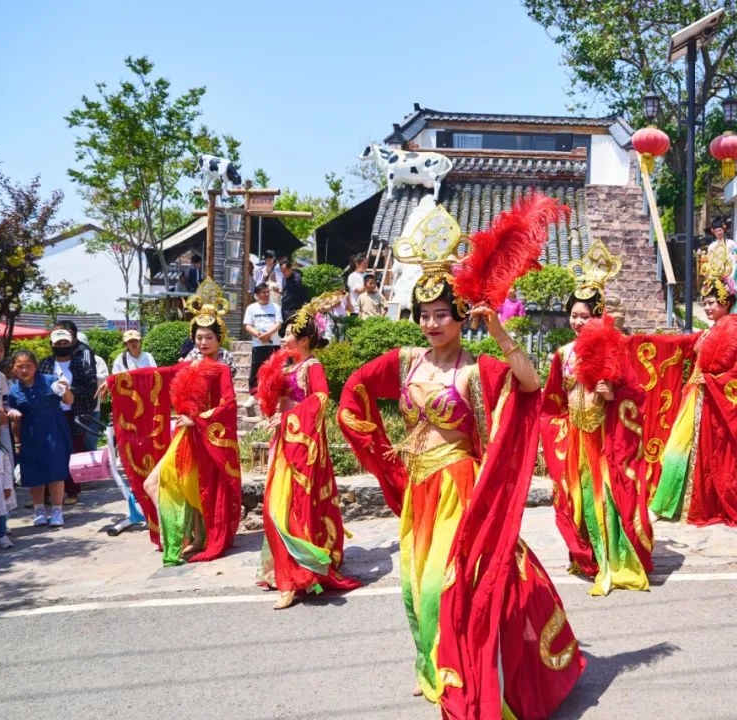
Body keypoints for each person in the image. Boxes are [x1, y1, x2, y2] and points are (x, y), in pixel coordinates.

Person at [337, 206, 584, 716]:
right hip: (419, 490)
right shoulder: (405, 363)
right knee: (416, 585)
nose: (431, 324)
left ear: (459, 317)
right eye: (424, 315)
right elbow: (353, 391)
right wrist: (385, 459)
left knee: (446, 586)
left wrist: (499, 331)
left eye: (441, 315)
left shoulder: (477, 370)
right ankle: (431, 666)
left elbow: (530, 384)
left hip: (459, 487)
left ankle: (463, 668)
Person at [540, 242, 650, 595]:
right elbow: (553, 401)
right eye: (573, 315)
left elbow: (638, 394)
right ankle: (588, 556)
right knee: (580, 497)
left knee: (608, 496)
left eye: (585, 316)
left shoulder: (616, 350)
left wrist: (613, 397)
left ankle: (612, 560)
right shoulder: (563, 354)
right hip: (575, 437)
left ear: (599, 317)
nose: (577, 322)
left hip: (605, 438)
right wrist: (555, 435)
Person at [255, 303, 360, 609]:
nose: (283, 337)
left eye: (288, 333)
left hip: (302, 447)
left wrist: (288, 417)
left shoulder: (312, 366)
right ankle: (283, 570)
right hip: (282, 443)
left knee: (291, 508)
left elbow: (321, 399)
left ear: (302, 340)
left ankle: (295, 578)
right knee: (275, 507)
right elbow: (274, 402)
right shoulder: (287, 367)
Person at [650, 258, 737, 527]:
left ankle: (664, 505)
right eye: (706, 302)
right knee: (681, 447)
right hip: (696, 396)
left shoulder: (731, 329)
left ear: (726, 302)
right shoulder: (714, 329)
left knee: (679, 447)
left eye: (713, 302)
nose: (708, 307)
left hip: (708, 397)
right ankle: (671, 503)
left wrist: (713, 382)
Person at [140, 279, 242, 565]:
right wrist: (117, 381)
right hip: (185, 437)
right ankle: (180, 535)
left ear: (219, 339)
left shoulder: (221, 369)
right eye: (199, 337)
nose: (203, 342)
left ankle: (194, 538)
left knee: (197, 491)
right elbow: (157, 375)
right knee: (153, 483)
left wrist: (197, 419)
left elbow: (229, 403)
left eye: (208, 337)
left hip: (206, 437)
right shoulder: (189, 365)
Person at [6, 350, 73, 527]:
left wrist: (66, 389)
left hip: (54, 431)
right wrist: (17, 441)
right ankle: (39, 511)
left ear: (35, 366)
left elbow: (68, 401)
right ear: (13, 369)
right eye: (20, 366)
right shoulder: (14, 391)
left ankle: (57, 511)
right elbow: (15, 421)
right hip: (30, 435)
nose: (24, 370)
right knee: (34, 473)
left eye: (28, 365)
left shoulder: (50, 381)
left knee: (56, 471)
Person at [39, 324, 98, 502]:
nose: (62, 346)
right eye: (58, 343)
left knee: (74, 451)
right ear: (52, 344)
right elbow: (39, 387)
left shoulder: (81, 364)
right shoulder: (45, 364)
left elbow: (91, 388)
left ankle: (73, 491)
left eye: (65, 342)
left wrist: (70, 391)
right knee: (51, 451)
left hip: (75, 413)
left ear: (72, 343)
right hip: (52, 414)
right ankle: (47, 492)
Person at [242, 283, 282, 401]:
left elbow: (278, 324)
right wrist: (259, 335)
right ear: (257, 294)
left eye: (267, 292)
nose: (266, 294)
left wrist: (268, 334)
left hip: (274, 343)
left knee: (274, 369)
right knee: (256, 369)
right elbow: (247, 325)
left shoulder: (276, 307)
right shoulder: (251, 308)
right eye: (263, 292)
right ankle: (253, 395)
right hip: (258, 344)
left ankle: (274, 394)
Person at [0, 421, 16, 548]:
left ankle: (1, 536)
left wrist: (7, 487)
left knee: (1, 513)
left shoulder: (2, 453)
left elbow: (7, 472)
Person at [0, 336, 14, 469]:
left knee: (6, 456)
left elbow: (5, 400)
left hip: (0, 423)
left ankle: (8, 481)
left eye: (1, 350)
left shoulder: (0, 376)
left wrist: (9, 412)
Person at [279, 259, 308, 323]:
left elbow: (304, 295)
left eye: (285, 271)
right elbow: (286, 292)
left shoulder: (298, 279)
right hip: (285, 311)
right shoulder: (284, 278)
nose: (283, 273)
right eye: (282, 271)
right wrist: (279, 291)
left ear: (290, 268)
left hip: (295, 312)